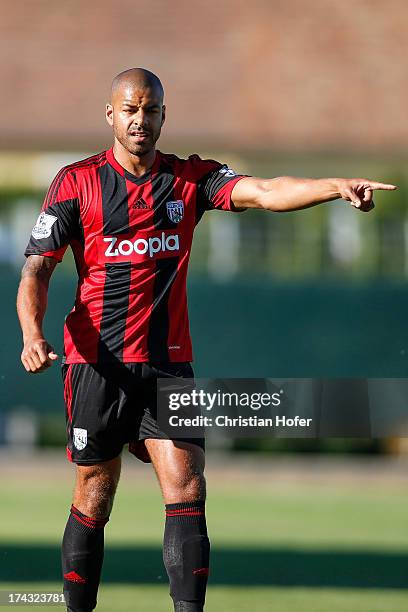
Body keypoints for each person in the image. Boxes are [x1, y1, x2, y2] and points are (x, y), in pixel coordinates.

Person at [16, 68, 396, 612]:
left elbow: (265, 191)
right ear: (110, 115)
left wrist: (335, 187)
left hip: (169, 365)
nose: (140, 121)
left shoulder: (189, 179)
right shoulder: (75, 182)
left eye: (150, 111)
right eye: (129, 110)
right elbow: (36, 271)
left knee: (188, 487)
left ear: (164, 117)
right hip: (96, 364)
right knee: (94, 495)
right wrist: (33, 333)